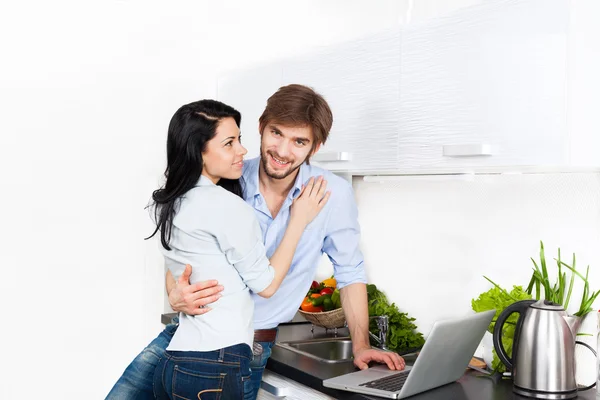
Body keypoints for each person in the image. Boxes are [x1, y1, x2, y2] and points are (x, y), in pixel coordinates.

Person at [107, 84, 405, 400]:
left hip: (245, 347)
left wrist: (361, 346)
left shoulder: (332, 195)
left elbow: (350, 271)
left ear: (315, 147)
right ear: (261, 127)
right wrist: (174, 292)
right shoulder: (228, 176)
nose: (282, 150)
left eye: (299, 141)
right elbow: (185, 245)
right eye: (276, 133)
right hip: (186, 332)